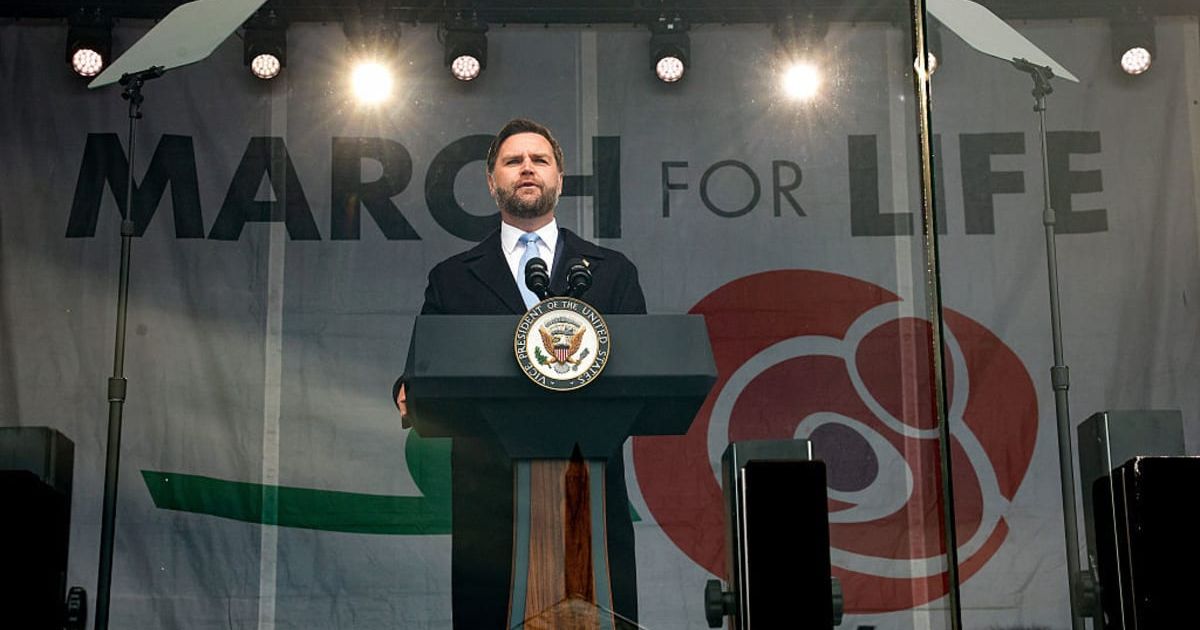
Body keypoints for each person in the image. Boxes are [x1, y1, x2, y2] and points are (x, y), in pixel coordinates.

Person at [394, 118, 645, 628]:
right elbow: (420, 375)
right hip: (491, 505)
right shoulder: (452, 279)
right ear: (492, 183)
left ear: (560, 177)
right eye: (513, 161)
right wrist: (407, 391)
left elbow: (644, 369)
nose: (526, 168)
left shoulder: (612, 271)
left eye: (539, 160)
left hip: (588, 495)